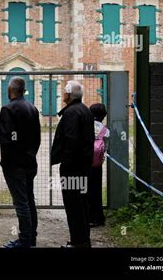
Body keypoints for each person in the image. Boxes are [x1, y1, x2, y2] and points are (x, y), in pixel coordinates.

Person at [51, 80, 94, 248]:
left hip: (72, 168)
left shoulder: (71, 113)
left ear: (69, 94)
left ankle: (78, 242)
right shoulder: (84, 110)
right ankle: (83, 240)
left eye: (64, 92)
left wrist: (66, 163)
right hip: (83, 166)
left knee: (73, 205)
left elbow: (71, 140)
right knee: (81, 203)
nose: (62, 94)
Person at [0, 76, 41, 248]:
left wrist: (6, 162)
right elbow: (37, 138)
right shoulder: (33, 108)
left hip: (14, 164)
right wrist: (30, 154)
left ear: (10, 90)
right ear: (23, 90)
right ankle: (31, 238)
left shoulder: (8, 109)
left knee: (21, 203)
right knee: (29, 200)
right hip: (30, 161)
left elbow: (6, 139)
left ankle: (24, 240)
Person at [88, 103, 109, 227]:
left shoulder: (85, 127)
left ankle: (87, 217)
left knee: (85, 190)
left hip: (85, 164)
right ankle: (98, 218)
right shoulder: (106, 131)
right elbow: (106, 148)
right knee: (96, 190)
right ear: (104, 116)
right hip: (97, 165)